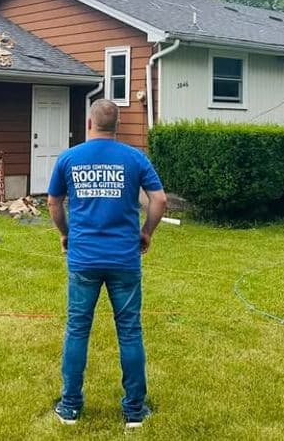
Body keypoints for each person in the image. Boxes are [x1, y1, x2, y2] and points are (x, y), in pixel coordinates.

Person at [47, 99, 168, 429]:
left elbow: (53, 202)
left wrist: (65, 234)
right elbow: (159, 199)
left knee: (77, 329)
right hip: (124, 259)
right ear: (117, 126)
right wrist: (147, 232)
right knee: (129, 331)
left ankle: (70, 407)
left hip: (83, 258)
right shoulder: (134, 158)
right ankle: (133, 411)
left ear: (89, 124)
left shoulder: (69, 158)